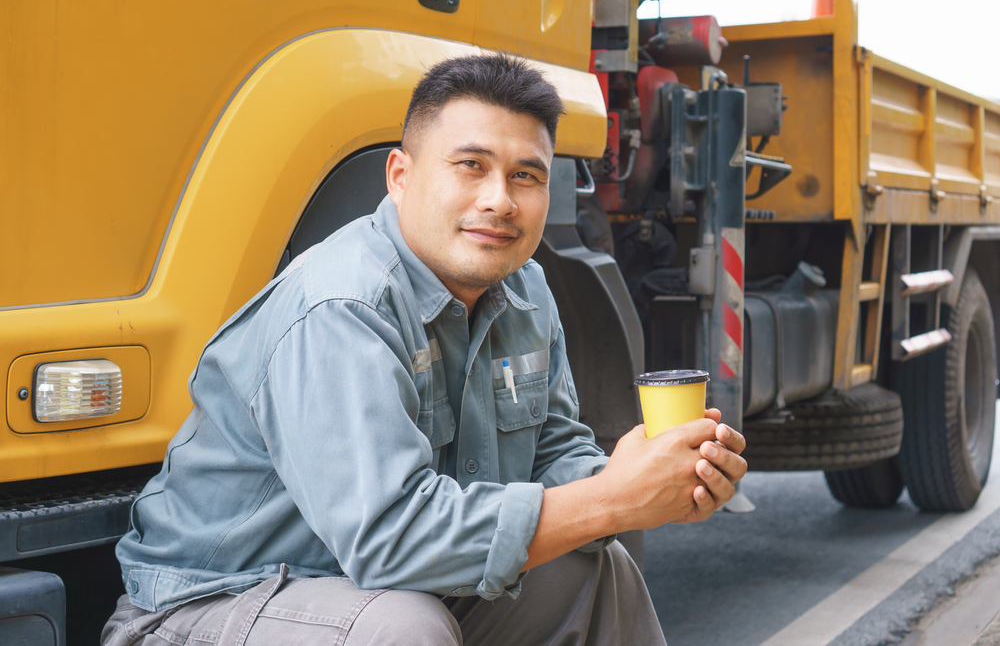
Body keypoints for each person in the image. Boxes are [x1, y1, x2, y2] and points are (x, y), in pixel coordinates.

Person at [102, 53, 747, 646]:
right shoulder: (341, 306)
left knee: (594, 570)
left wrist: (651, 479)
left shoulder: (523, 287)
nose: (498, 199)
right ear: (401, 176)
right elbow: (391, 539)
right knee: (403, 632)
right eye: (471, 166)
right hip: (205, 607)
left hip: (370, 587)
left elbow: (551, 450)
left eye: (526, 175)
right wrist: (611, 500)